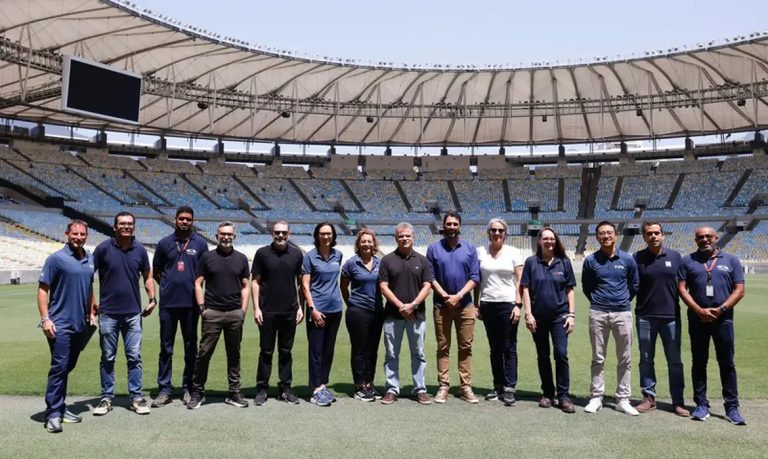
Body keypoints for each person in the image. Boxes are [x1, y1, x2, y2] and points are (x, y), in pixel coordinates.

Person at [678, 226, 746, 425]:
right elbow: (682, 289)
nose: (705, 239)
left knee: (727, 363)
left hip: (723, 320)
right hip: (697, 320)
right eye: (700, 237)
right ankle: (701, 404)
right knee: (699, 363)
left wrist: (721, 309)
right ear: (695, 240)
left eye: (708, 236)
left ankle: (732, 407)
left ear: (716, 238)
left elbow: (739, 290)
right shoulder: (687, 260)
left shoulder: (731, 260)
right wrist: (699, 310)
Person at [92, 212, 155, 416]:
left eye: (129, 224)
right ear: (114, 227)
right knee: (108, 357)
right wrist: (92, 304)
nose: (126, 227)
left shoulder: (141, 251)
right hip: (108, 313)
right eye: (122, 224)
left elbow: (147, 277)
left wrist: (152, 299)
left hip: (133, 314)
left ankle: (136, 397)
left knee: (134, 357)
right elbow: (87, 277)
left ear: (133, 227)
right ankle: (106, 398)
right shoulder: (103, 249)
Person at [37, 220, 95, 433]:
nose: (78, 237)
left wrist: (91, 310)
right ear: (66, 234)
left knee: (68, 366)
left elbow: (89, 286)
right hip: (59, 324)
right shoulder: (56, 259)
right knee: (59, 367)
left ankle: (60, 407)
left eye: (82, 234)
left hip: (81, 324)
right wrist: (45, 319)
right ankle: (53, 413)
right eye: (75, 234)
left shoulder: (90, 258)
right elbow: (43, 290)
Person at [187, 221, 250, 409]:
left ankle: (234, 393)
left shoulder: (241, 258)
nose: (226, 237)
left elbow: (246, 286)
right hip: (212, 313)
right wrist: (202, 308)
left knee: (234, 354)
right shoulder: (207, 257)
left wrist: (243, 311)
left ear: (234, 237)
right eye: (222, 234)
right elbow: (198, 283)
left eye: (229, 234)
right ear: (217, 236)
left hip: (234, 313)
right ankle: (198, 393)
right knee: (204, 354)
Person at [151, 206, 208, 408]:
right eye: (181, 219)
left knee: (190, 347)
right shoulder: (165, 243)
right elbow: (156, 271)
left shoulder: (200, 244)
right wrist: (167, 286)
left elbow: (203, 273)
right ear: (175, 220)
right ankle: (165, 389)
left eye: (188, 219)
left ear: (192, 221)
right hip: (168, 304)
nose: (185, 222)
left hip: (191, 304)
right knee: (166, 347)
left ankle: (188, 387)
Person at [581, 220, 639, 415]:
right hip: (598, 312)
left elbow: (634, 285)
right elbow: (587, 287)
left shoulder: (628, 259)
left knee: (625, 358)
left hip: (622, 312)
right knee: (598, 357)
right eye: (602, 234)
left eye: (609, 233)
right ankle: (596, 397)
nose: (606, 236)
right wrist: (601, 301)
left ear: (616, 235)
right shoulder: (590, 260)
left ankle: (623, 399)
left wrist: (620, 301)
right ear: (597, 237)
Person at [633, 222, 689, 417]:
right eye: (649, 234)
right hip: (645, 316)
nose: (653, 236)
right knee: (646, 359)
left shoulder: (675, 257)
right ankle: (649, 397)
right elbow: (632, 285)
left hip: (671, 317)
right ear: (644, 237)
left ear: (663, 235)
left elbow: (684, 285)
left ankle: (678, 401)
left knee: (675, 361)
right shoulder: (637, 258)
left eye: (657, 233)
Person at [521, 227, 577, 413]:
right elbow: (526, 289)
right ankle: (547, 393)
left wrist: (571, 314)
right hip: (538, 318)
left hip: (559, 318)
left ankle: (564, 396)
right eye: (545, 239)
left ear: (556, 240)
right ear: (540, 242)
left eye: (552, 239)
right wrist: (528, 314)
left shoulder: (564, 262)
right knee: (543, 356)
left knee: (561, 354)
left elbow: (570, 290)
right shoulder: (531, 262)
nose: (549, 242)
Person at [427, 211, 480, 404]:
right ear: (443, 226)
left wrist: (458, 296)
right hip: (441, 305)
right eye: (448, 224)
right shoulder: (433, 249)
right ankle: (443, 386)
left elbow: (475, 277)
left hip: (465, 305)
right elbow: (430, 277)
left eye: (454, 224)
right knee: (443, 346)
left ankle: (465, 386)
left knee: (465, 346)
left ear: (460, 226)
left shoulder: (469, 248)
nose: (451, 227)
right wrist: (445, 296)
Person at [378, 222, 434, 405]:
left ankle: (420, 389)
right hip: (393, 316)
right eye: (401, 236)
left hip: (417, 316)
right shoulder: (387, 260)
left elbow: (428, 285)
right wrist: (401, 305)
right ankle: (392, 389)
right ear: (396, 238)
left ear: (413, 237)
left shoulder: (422, 260)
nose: (404, 239)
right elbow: (383, 286)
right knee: (392, 354)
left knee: (418, 353)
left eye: (407, 236)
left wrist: (414, 304)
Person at [251, 221, 304, 406]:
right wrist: (256, 308)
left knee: (285, 352)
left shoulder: (297, 254)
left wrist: (300, 307)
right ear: (271, 233)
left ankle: (285, 388)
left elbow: (301, 284)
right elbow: (255, 282)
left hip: (289, 311)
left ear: (289, 234)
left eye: (283, 233)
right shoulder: (262, 253)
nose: (280, 236)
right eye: (277, 233)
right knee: (266, 351)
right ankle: (262, 389)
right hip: (267, 312)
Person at [473, 218, 523, 406]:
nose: (496, 233)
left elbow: (520, 280)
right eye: (493, 230)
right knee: (494, 349)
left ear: (505, 233)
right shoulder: (480, 252)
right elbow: (477, 280)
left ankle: (510, 388)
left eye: (500, 230)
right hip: (488, 304)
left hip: (507, 304)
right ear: (488, 232)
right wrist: (477, 304)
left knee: (509, 347)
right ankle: (498, 385)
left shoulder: (513, 252)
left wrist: (518, 305)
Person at [302, 222, 344, 406]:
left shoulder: (338, 255)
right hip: (317, 310)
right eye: (322, 233)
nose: (326, 237)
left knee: (328, 351)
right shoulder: (309, 257)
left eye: (329, 234)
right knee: (316, 351)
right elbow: (305, 285)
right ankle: (316, 388)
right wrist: (312, 309)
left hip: (335, 309)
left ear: (333, 236)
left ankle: (323, 384)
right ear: (317, 235)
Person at [340, 228, 384, 402]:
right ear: (358, 244)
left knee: (372, 350)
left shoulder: (381, 263)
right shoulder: (351, 263)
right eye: (363, 241)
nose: (366, 244)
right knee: (359, 350)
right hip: (357, 312)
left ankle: (369, 383)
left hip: (377, 311)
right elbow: (343, 287)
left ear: (374, 244)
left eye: (369, 241)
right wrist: (351, 303)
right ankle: (359, 385)